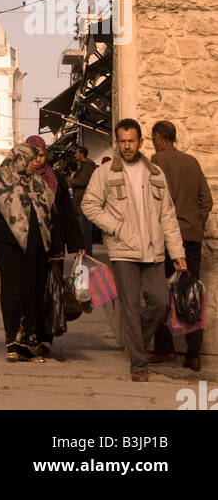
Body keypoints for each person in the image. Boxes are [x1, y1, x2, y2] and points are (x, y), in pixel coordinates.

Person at [81, 118, 185, 381]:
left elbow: (168, 215)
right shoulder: (105, 173)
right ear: (117, 142)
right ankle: (139, 364)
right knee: (130, 308)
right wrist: (116, 227)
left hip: (154, 252)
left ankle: (135, 334)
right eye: (122, 141)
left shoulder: (155, 174)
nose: (127, 146)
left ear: (140, 142)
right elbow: (89, 204)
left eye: (131, 141)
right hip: (123, 251)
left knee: (160, 303)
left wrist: (177, 252)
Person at [0, 136, 82, 362]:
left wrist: (59, 246)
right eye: (32, 158)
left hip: (36, 246)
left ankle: (31, 341)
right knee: (13, 291)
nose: (36, 163)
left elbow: (53, 216)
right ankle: (13, 341)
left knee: (33, 291)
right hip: (9, 245)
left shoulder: (39, 183)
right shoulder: (0, 182)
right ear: (20, 158)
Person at [149, 120, 213, 372]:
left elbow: (152, 201)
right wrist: (196, 222)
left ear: (157, 137)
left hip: (167, 238)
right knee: (191, 294)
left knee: (162, 294)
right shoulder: (192, 162)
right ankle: (193, 354)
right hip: (192, 238)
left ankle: (164, 349)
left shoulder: (157, 160)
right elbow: (206, 200)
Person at [68, 146, 98, 254]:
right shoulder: (84, 166)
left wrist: (71, 180)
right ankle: (84, 252)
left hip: (84, 201)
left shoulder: (88, 166)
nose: (75, 155)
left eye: (76, 153)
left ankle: (87, 253)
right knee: (82, 229)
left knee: (85, 229)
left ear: (82, 154)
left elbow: (83, 182)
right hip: (81, 200)